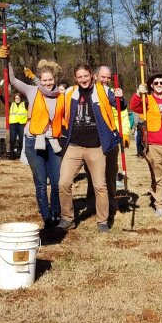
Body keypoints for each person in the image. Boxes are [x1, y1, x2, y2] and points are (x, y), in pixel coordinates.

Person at [0, 49, 66, 229]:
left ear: (55, 79)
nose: (48, 83)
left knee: (58, 182)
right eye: (44, 80)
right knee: (41, 183)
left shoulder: (61, 96)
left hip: (54, 143)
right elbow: (12, 80)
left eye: (50, 80)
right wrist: (7, 61)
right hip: (33, 141)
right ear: (39, 80)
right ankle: (46, 217)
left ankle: (56, 213)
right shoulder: (32, 91)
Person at [56, 62, 122, 233]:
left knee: (100, 185)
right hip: (74, 146)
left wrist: (120, 97)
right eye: (80, 77)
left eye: (86, 76)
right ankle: (67, 218)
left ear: (92, 76)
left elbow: (119, 104)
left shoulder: (104, 90)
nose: (83, 80)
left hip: (96, 147)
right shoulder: (70, 92)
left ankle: (102, 221)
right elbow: (55, 105)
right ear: (75, 79)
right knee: (63, 182)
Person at [129, 72, 162, 217]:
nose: (159, 85)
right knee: (156, 177)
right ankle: (159, 205)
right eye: (156, 83)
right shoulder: (146, 100)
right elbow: (134, 106)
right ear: (151, 86)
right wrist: (139, 93)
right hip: (153, 144)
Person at [85, 65, 127, 213]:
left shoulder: (109, 91)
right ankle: (91, 204)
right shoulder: (85, 90)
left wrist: (120, 97)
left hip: (108, 139)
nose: (106, 80)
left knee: (110, 172)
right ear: (95, 76)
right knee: (92, 174)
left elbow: (119, 105)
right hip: (89, 140)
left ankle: (111, 203)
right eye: (103, 77)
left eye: (108, 77)